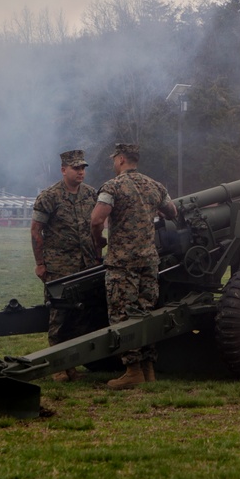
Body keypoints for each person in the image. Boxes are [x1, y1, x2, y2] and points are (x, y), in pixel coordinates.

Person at [90, 143, 177, 389]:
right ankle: (149, 370)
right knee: (145, 313)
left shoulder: (113, 187)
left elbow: (97, 219)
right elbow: (172, 212)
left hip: (122, 263)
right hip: (149, 262)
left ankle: (133, 370)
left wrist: (99, 241)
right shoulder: (155, 186)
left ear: (120, 160)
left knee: (122, 314)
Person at [31, 149, 102, 382]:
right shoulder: (49, 196)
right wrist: (40, 263)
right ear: (64, 170)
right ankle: (57, 365)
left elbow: (97, 227)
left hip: (86, 265)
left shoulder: (91, 194)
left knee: (82, 315)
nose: (81, 172)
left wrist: (98, 256)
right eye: (76, 168)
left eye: (83, 168)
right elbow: (35, 230)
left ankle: (72, 364)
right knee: (59, 316)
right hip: (60, 266)